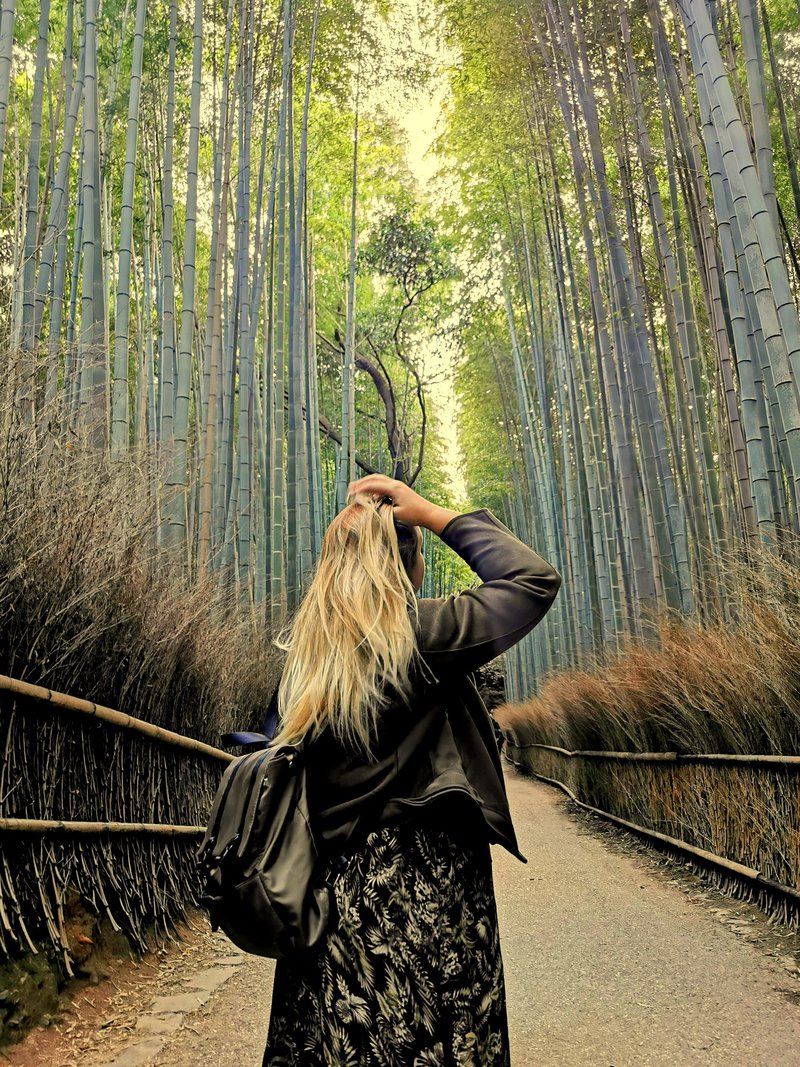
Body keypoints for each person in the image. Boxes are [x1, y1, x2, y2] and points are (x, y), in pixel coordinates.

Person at [262, 474, 562, 1066]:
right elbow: (532, 581)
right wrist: (432, 513)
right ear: (405, 567)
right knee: (432, 1037)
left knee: (339, 1041)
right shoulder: (420, 636)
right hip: (425, 887)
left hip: (334, 889)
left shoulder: (305, 657)